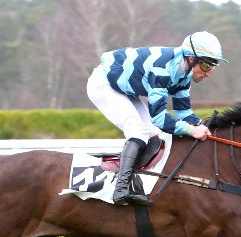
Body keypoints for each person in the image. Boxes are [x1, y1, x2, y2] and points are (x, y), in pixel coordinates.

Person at [86, 31, 229, 206]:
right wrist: (192, 130)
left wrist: (201, 125)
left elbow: (183, 113)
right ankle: (121, 189)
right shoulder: (163, 69)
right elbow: (159, 118)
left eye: (213, 67)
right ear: (191, 59)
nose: (208, 73)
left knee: (154, 136)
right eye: (206, 66)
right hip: (104, 84)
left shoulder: (184, 74)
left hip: (125, 89)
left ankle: (137, 180)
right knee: (138, 132)